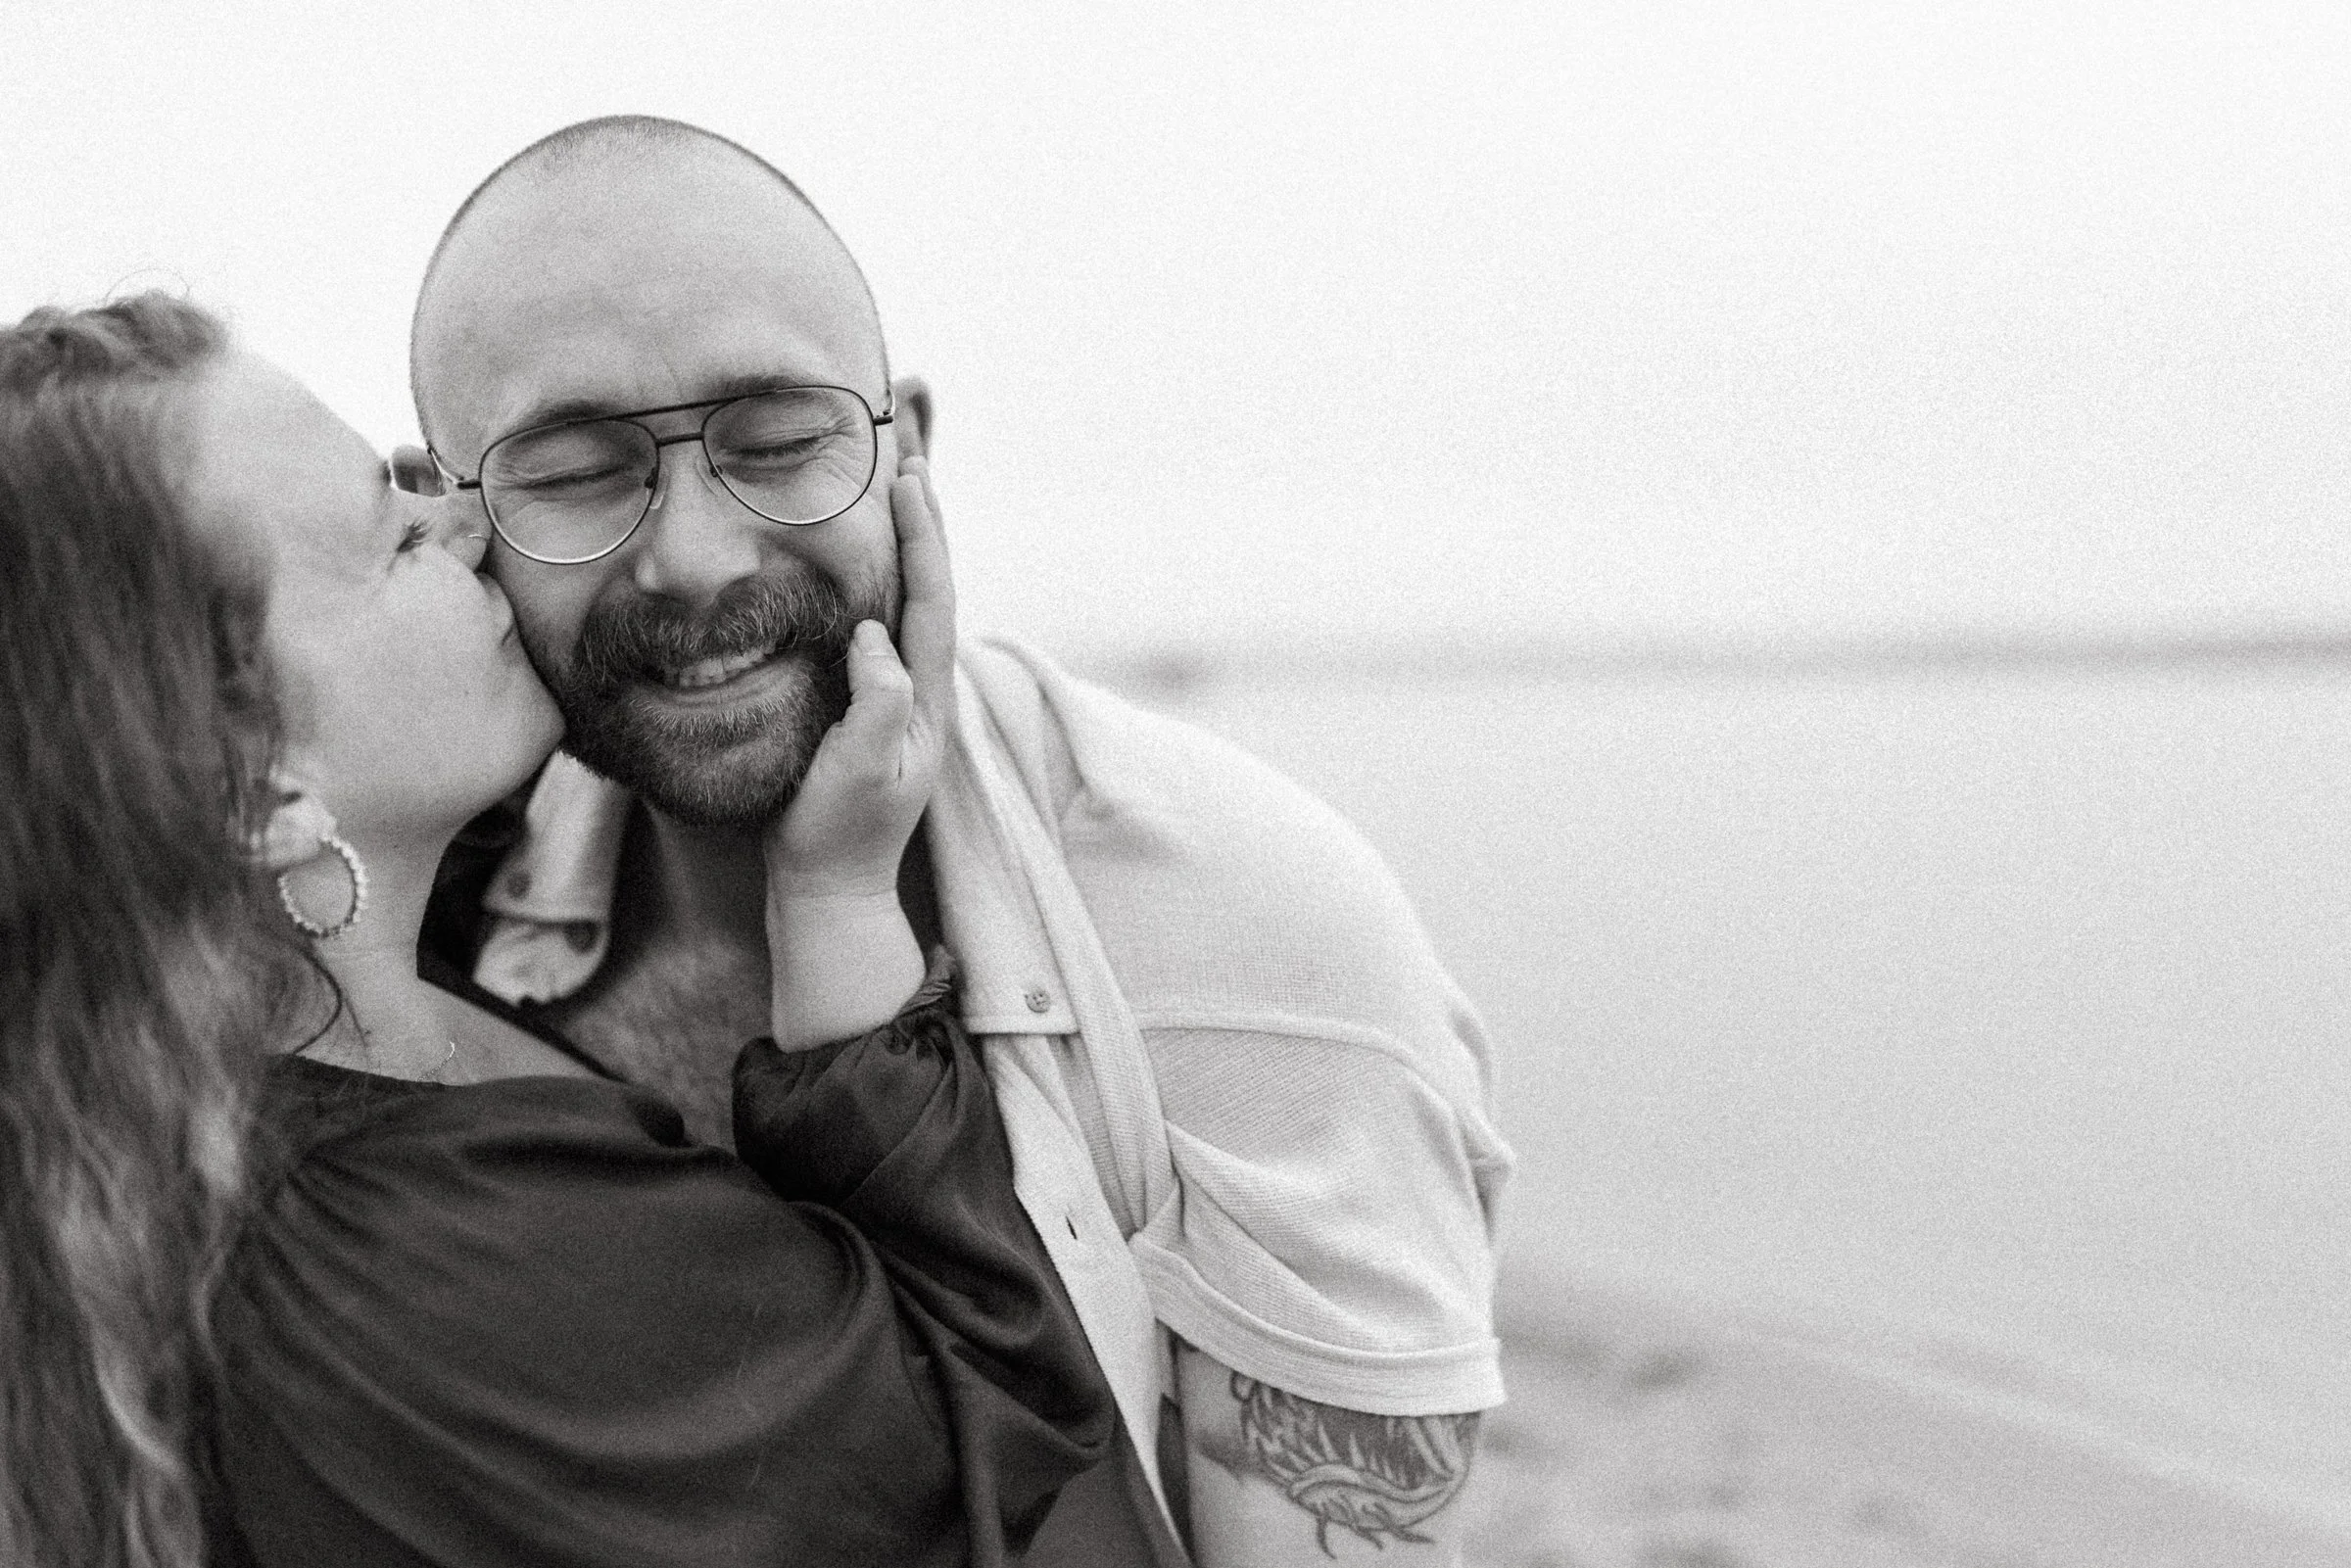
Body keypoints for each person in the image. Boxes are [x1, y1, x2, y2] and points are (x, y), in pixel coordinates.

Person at [408, 117, 1513, 1566]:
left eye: (778, 442)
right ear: (449, 519)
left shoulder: (1244, 936)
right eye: (576, 473)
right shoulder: (429, 898)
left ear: (905, 446)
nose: (694, 557)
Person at [0, 293, 1114, 1568]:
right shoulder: (400, 1266)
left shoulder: (165, 1093)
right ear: (257, 788)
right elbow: (979, 1424)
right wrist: (835, 895)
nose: (463, 519)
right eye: (389, 536)